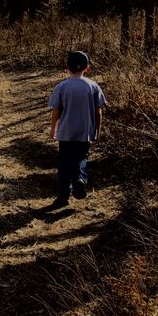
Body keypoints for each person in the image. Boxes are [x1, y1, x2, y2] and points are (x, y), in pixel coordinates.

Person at [48, 50, 106, 209]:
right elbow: (98, 111)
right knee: (81, 157)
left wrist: (53, 129)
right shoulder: (93, 86)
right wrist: (97, 131)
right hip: (85, 131)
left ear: (66, 66)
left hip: (66, 132)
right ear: (87, 68)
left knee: (64, 162)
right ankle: (80, 178)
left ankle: (63, 196)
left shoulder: (61, 86)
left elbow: (56, 111)